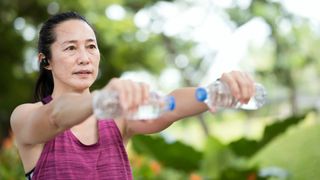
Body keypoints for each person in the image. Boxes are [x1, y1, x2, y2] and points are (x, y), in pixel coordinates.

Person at [10, 12, 256, 179]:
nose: (84, 58)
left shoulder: (119, 118)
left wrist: (214, 92)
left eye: (91, 46)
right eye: (71, 48)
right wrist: (100, 99)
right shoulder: (25, 116)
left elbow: (170, 105)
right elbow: (56, 116)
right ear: (45, 61)